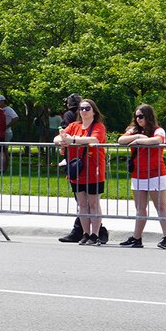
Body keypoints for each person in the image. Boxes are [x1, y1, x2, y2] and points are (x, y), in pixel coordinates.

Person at [118, 104, 166, 249]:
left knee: (160, 206)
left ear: (148, 116)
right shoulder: (134, 130)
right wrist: (138, 135)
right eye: (136, 116)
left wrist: (139, 140)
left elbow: (157, 140)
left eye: (141, 116)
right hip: (138, 173)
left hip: (155, 172)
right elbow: (121, 140)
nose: (138, 119)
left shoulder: (158, 130)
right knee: (140, 207)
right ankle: (136, 237)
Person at [55, 98, 107, 245]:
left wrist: (72, 140)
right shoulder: (73, 125)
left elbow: (95, 139)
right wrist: (61, 141)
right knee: (82, 204)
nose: (84, 111)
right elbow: (59, 137)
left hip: (93, 169)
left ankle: (95, 234)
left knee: (94, 203)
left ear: (94, 111)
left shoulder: (98, 126)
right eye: (81, 108)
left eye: (87, 108)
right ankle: (85, 233)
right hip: (77, 170)